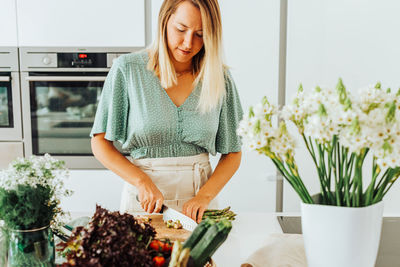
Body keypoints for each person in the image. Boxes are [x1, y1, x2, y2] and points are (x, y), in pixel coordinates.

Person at [90, 0, 243, 223]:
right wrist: (141, 181)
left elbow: (233, 153)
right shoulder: (128, 69)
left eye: (200, 34)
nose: (188, 43)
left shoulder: (219, 78)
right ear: (164, 20)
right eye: (181, 29)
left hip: (200, 204)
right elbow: (100, 142)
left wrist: (204, 196)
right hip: (143, 201)